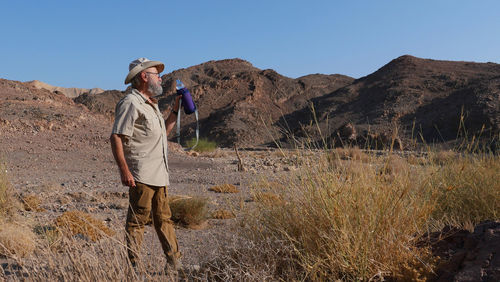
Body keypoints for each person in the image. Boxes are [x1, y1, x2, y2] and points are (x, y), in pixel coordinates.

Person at [110, 57, 182, 271]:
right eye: (156, 75)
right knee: (137, 221)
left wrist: (175, 110)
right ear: (144, 77)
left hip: (160, 174)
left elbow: (163, 134)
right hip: (141, 174)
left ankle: (174, 264)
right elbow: (116, 137)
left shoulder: (151, 104)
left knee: (164, 219)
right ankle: (134, 268)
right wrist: (124, 170)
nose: (160, 79)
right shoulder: (130, 103)